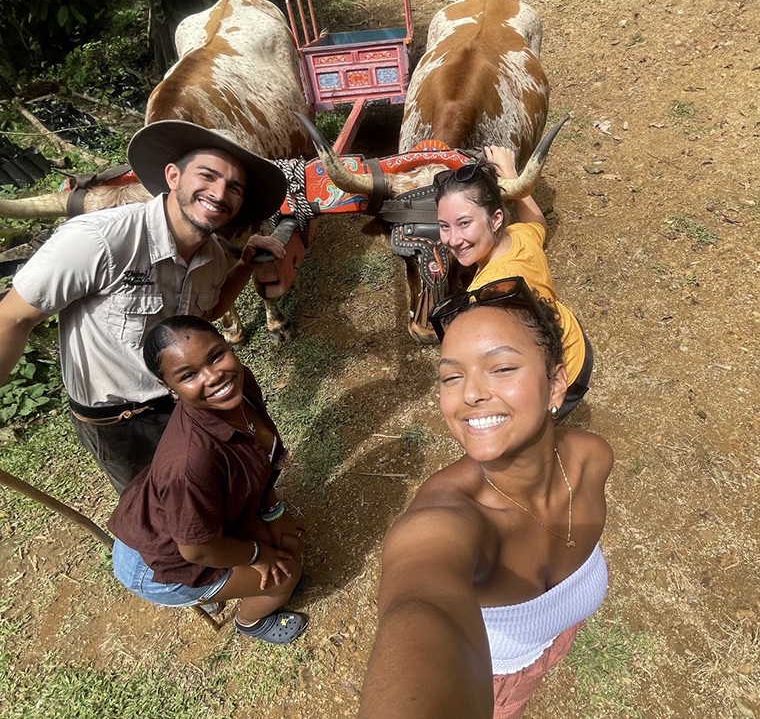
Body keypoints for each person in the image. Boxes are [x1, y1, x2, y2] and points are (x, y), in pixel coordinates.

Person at [358, 277, 613, 719]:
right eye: (451, 376)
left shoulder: (594, 459)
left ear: (556, 384)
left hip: (555, 641)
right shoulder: (444, 521)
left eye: (501, 368)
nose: (470, 394)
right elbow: (417, 603)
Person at [0, 120, 287, 493]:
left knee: (224, 482)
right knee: (164, 512)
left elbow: (210, 311)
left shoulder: (214, 257)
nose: (219, 193)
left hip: (189, 398)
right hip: (122, 420)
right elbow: (13, 315)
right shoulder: (99, 240)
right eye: (207, 176)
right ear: (172, 176)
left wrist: (245, 265)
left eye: (234, 188)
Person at [107, 315, 307, 643]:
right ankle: (251, 622)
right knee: (286, 573)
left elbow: (261, 461)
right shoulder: (189, 462)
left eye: (216, 356)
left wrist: (275, 512)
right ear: (168, 387)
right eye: (189, 375)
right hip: (160, 561)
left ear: (227, 344)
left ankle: (257, 578)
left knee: (291, 545)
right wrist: (259, 555)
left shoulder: (240, 387)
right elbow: (197, 552)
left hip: (193, 523)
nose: (215, 377)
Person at [435, 147, 593, 419]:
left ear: (496, 219)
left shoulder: (485, 295)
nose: (452, 239)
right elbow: (536, 220)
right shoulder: (518, 235)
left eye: (463, 223)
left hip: (561, 377)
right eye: (444, 226)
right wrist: (510, 172)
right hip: (576, 341)